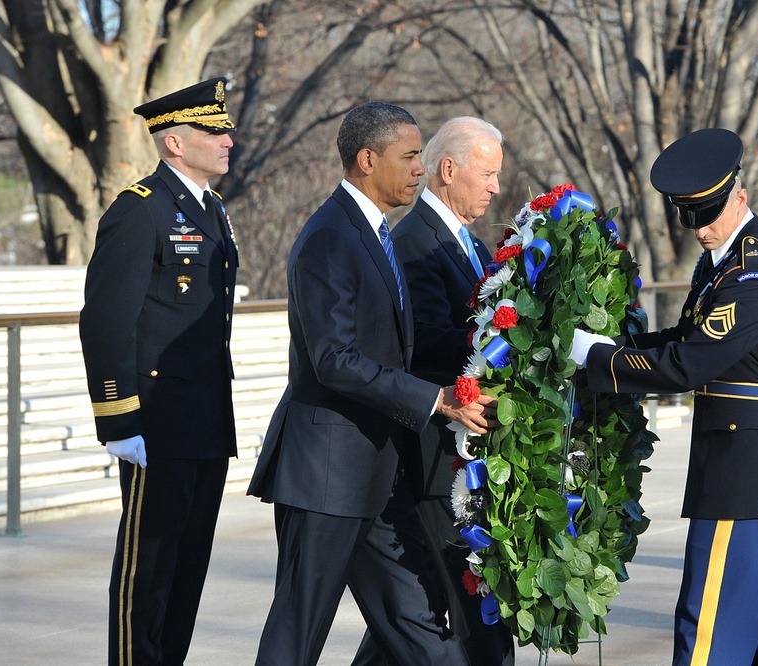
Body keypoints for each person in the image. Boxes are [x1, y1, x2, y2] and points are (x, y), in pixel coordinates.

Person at [247, 102, 498, 666]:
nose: (420, 168)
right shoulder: (329, 237)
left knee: (423, 629)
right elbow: (333, 359)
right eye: (409, 156)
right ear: (367, 159)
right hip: (326, 476)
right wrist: (434, 399)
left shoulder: (374, 231)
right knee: (297, 635)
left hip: (378, 476)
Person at [570, 128, 758, 665]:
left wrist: (597, 358)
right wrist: (616, 344)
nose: (701, 229)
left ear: (740, 198)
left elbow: (687, 365)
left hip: (740, 478)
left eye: (710, 214)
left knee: (707, 637)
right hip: (752, 472)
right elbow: (686, 338)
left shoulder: (754, 276)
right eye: (691, 217)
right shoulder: (722, 264)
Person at [79, 77, 239, 665]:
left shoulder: (212, 210)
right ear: (174, 141)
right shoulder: (139, 210)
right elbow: (105, 323)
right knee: (147, 573)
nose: (228, 140)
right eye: (213, 131)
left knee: (188, 570)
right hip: (157, 423)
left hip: (205, 421)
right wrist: (119, 418)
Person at [351, 116, 515, 666]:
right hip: (436, 459)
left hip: (463, 452)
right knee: (475, 605)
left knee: (417, 614)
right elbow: (424, 346)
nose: (496, 187)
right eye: (488, 174)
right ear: (450, 170)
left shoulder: (465, 240)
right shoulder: (415, 241)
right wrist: (516, 342)